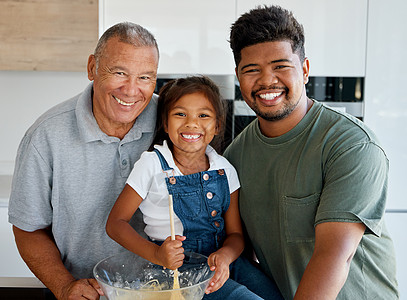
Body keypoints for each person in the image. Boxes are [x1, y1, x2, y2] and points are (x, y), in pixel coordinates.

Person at [224, 5, 399, 300]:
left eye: (281, 66)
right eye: (252, 70)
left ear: (304, 70)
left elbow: (334, 257)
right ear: (239, 78)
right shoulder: (234, 157)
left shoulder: (351, 145)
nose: (267, 81)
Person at [8, 22, 159, 300]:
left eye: (145, 77)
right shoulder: (45, 137)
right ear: (92, 68)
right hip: (88, 293)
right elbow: (28, 229)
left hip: (165, 290)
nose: (131, 90)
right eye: (119, 72)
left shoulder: (173, 123)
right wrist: (64, 286)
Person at [106, 76, 283, 299]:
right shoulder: (152, 164)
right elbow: (115, 224)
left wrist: (226, 256)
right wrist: (157, 255)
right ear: (165, 123)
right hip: (177, 271)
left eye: (203, 115)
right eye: (180, 114)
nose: (191, 123)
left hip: (224, 261)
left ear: (217, 125)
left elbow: (236, 234)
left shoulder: (225, 169)